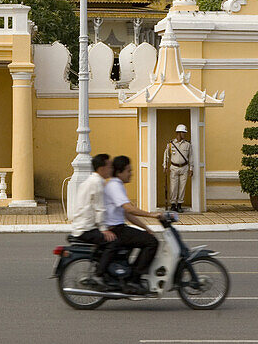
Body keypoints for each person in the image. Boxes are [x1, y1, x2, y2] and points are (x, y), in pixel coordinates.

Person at [99, 155, 165, 294]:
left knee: (146, 237)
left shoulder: (116, 185)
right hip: (116, 230)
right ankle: (134, 280)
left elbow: (127, 213)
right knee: (152, 242)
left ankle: (129, 275)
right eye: (128, 171)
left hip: (119, 227)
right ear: (119, 172)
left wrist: (146, 227)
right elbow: (128, 208)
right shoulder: (115, 186)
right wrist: (152, 215)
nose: (131, 174)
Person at [69, 153, 116, 245]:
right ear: (101, 168)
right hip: (86, 229)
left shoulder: (91, 181)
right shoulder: (97, 183)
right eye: (110, 167)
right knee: (114, 242)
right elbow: (99, 208)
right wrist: (104, 229)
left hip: (81, 226)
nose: (112, 170)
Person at [162, 124, 192, 213]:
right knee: (173, 187)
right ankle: (173, 204)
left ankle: (179, 204)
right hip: (174, 167)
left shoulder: (187, 144)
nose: (184, 134)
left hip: (184, 167)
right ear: (178, 133)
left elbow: (191, 157)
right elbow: (166, 155)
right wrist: (165, 166)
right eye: (183, 132)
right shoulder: (171, 144)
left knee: (182, 187)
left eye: (184, 132)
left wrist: (191, 168)